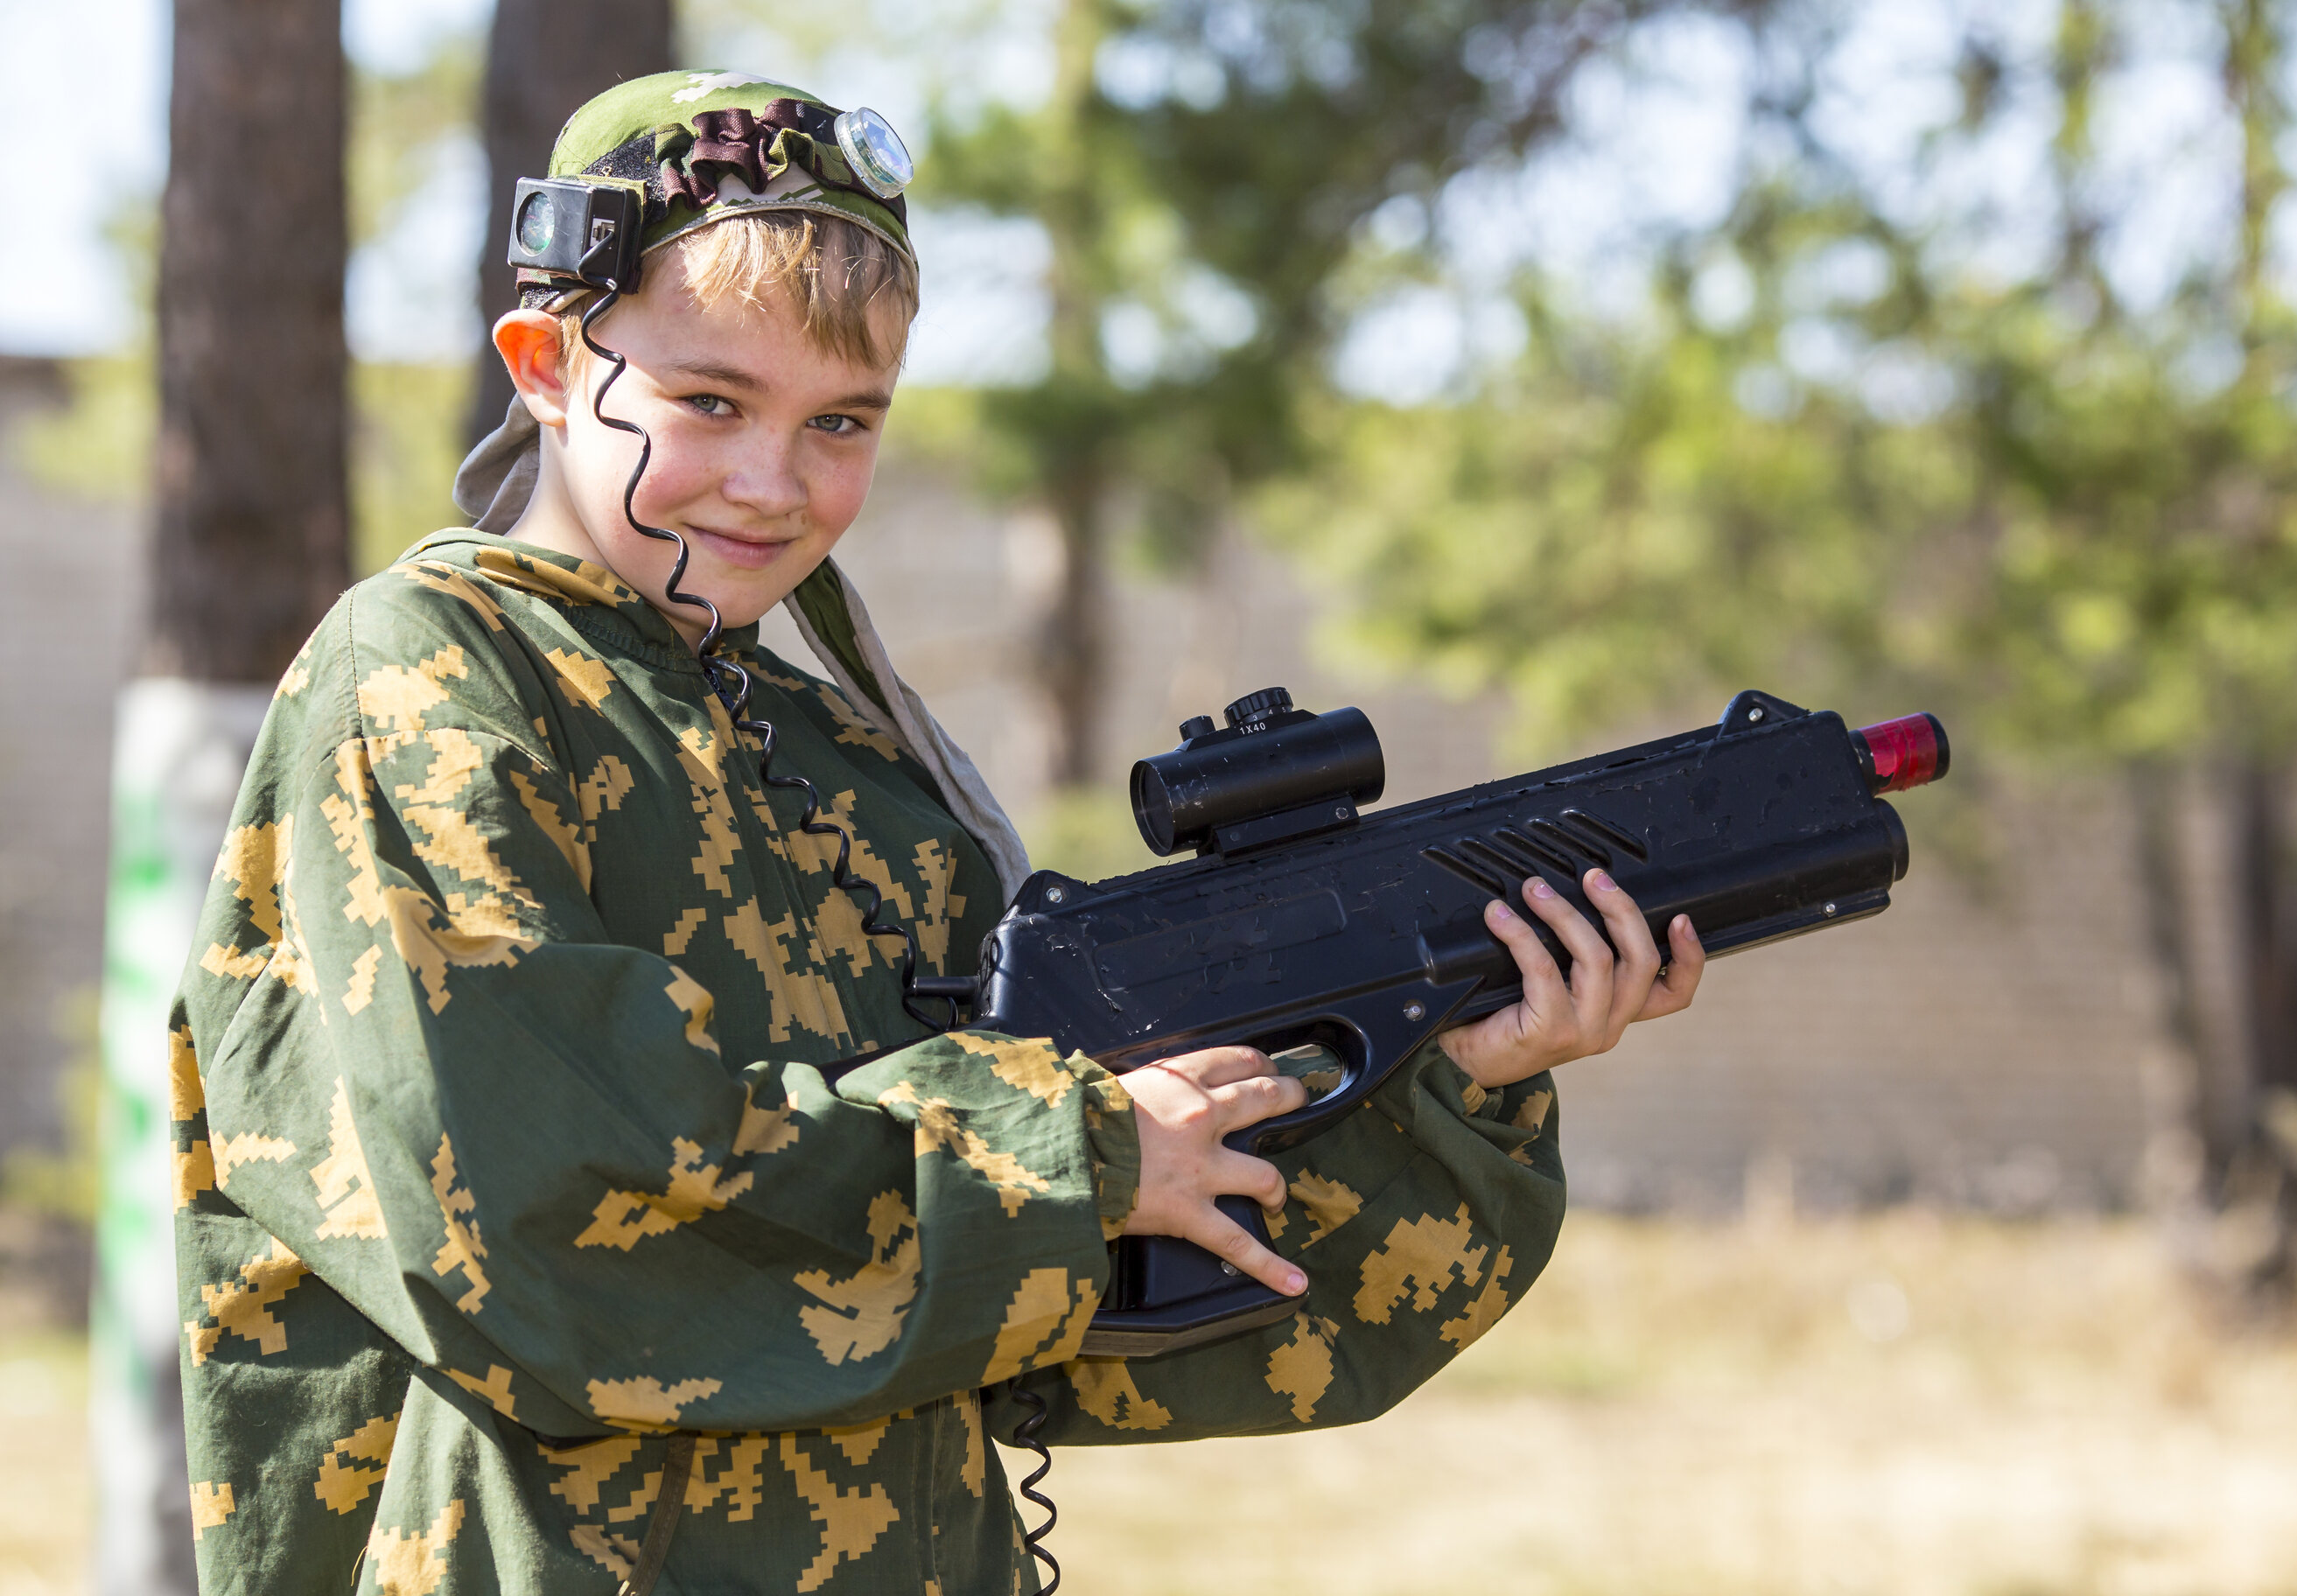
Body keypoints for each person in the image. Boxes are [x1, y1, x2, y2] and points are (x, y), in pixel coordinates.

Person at [170, 70, 1705, 1595]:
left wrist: (1456, 1089)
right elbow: (544, 1212)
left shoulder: (861, 773)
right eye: (710, 402)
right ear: (549, 366)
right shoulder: (434, 675)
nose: (773, 483)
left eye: (842, 421)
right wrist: (1083, 1159)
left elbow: (1103, 1322)